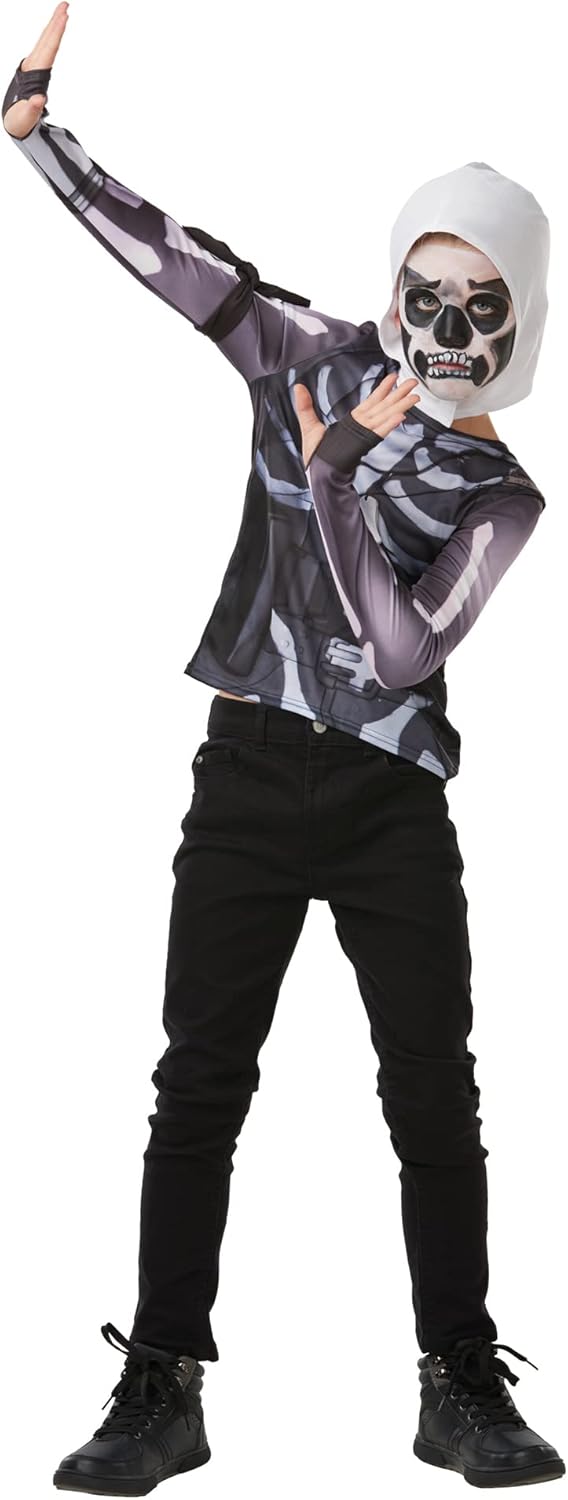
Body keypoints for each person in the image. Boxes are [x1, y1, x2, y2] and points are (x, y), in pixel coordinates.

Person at [3, 4, 564, 1493]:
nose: (444, 329)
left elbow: (403, 653)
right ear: (393, 283)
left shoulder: (501, 493)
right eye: (426, 293)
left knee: (433, 1095)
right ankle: (162, 1385)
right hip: (248, 771)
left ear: (518, 321)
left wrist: (334, 473)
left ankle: (459, 1381)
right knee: (199, 1082)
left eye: (479, 305)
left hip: (392, 797)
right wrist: (45, 144)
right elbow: (185, 269)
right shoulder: (309, 356)